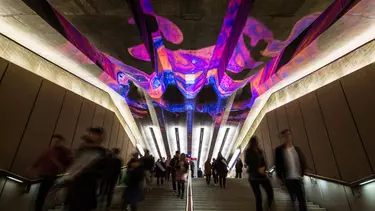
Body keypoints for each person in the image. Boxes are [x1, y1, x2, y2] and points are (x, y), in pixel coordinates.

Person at [57, 127, 107, 211]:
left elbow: (98, 171)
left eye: (92, 134)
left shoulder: (99, 152)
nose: (89, 135)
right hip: (76, 189)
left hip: (86, 190)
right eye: (89, 133)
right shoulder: (83, 149)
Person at [31, 135, 72, 211]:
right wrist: (34, 168)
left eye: (57, 141)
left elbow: (70, 164)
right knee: (42, 195)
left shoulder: (65, 152)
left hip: (55, 176)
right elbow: (40, 159)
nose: (56, 143)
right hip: (46, 175)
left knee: (46, 194)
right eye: (54, 141)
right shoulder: (49, 150)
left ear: (62, 142)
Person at [275, 129, 307, 211]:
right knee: (293, 199)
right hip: (288, 179)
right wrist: (279, 177)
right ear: (282, 138)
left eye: (289, 134)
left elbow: (302, 161)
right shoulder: (279, 150)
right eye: (285, 136)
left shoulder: (296, 149)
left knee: (302, 200)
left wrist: (303, 172)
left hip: (298, 178)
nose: (287, 137)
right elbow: (277, 164)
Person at [245, 136, 274, 211]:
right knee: (258, 197)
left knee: (270, 192)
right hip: (254, 177)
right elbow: (248, 162)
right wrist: (257, 169)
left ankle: (267, 207)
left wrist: (264, 168)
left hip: (262, 175)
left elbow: (264, 161)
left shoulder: (260, 151)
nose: (256, 143)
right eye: (255, 142)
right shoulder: (248, 151)